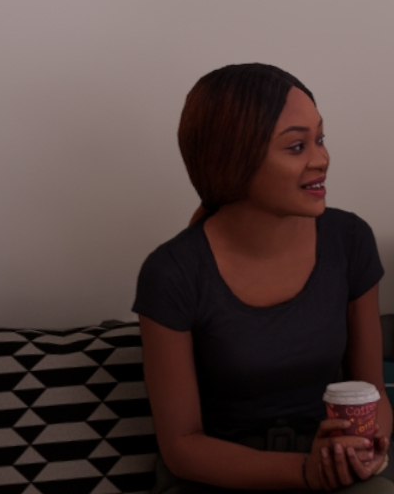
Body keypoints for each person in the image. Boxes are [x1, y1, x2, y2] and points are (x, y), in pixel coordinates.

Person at [132, 64, 394, 493]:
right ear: (234, 159)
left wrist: (367, 447)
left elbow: (372, 392)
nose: (321, 159)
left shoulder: (350, 240)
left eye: (320, 139)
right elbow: (182, 445)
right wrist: (303, 471)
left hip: (330, 465)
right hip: (220, 476)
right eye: (296, 146)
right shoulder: (172, 273)